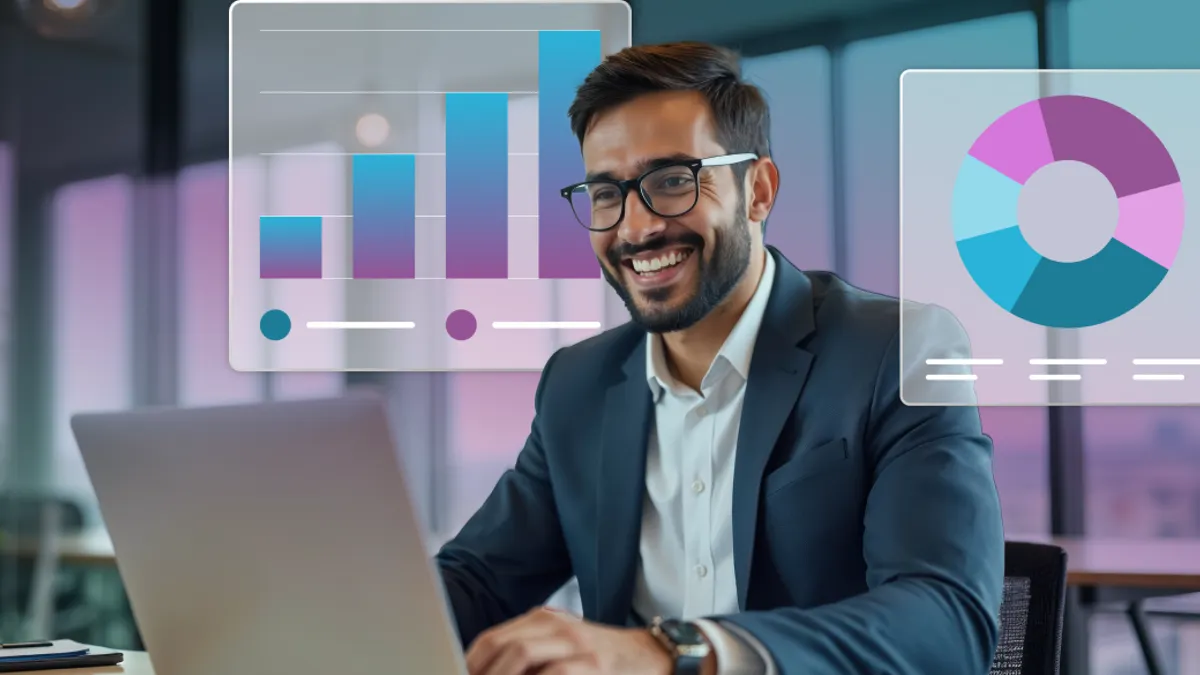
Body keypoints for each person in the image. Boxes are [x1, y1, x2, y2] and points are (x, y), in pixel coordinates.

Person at [435, 41, 1004, 675]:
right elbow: (478, 581)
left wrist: (672, 653)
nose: (636, 228)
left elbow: (945, 621)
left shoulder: (895, 349)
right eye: (605, 194)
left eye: (673, 181)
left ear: (757, 190)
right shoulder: (579, 384)